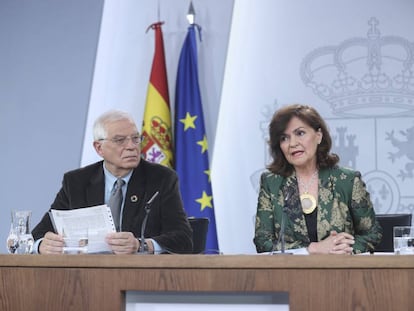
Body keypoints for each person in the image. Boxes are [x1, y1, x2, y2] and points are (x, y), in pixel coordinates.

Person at [32, 110, 193, 254]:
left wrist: (141, 245)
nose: (131, 146)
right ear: (99, 148)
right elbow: (38, 234)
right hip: (87, 276)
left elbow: (183, 238)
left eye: (135, 138)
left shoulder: (161, 179)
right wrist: (42, 245)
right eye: (120, 140)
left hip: (139, 276)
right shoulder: (76, 182)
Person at [254, 104, 382, 255]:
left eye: (300, 133)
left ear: (318, 136)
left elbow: (372, 235)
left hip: (341, 273)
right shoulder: (271, 183)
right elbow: (263, 242)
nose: (293, 143)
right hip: (290, 276)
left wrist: (346, 249)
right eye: (284, 138)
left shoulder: (347, 180)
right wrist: (312, 249)